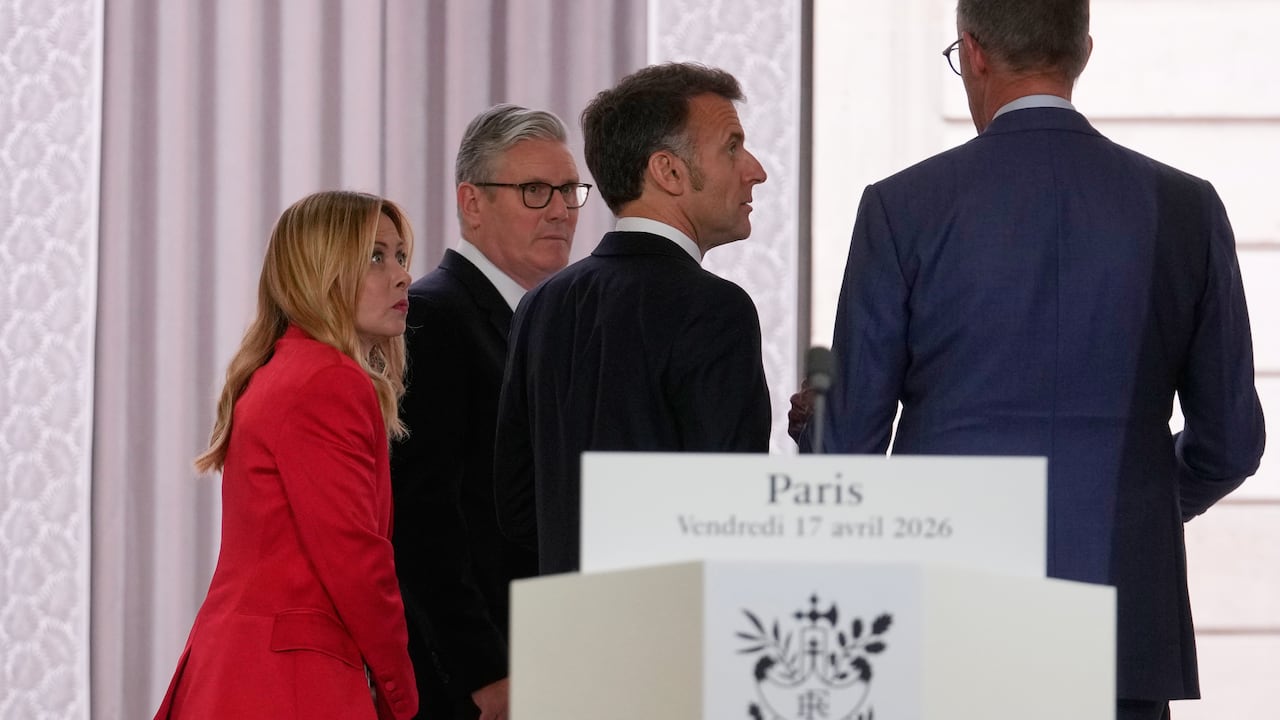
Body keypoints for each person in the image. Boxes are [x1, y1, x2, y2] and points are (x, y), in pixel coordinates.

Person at [798, 1, 1266, 718]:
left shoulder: (902, 207)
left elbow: (849, 447)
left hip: (948, 610)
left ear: (974, 52)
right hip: (1119, 619)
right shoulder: (1187, 208)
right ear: (1082, 48)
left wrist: (814, 426)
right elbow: (1231, 443)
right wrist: (1127, 503)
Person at [493, 62, 773, 576]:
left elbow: (517, 510)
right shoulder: (716, 310)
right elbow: (738, 513)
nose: (755, 168)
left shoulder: (542, 304)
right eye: (732, 146)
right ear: (668, 171)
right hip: (677, 632)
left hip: (567, 628)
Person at [154, 191, 419, 720]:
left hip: (243, 669)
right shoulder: (328, 380)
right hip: (289, 681)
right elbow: (356, 560)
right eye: (375, 256)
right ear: (320, 271)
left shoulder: (285, 367)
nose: (401, 275)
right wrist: (404, 696)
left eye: (400, 256)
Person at [390, 104, 584, 720]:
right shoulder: (431, 317)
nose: (559, 210)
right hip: (472, 685)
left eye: (569, 191)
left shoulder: (544, 320)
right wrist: (485, 672)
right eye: (534, 191)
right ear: (471, 203)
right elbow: (423, 520)